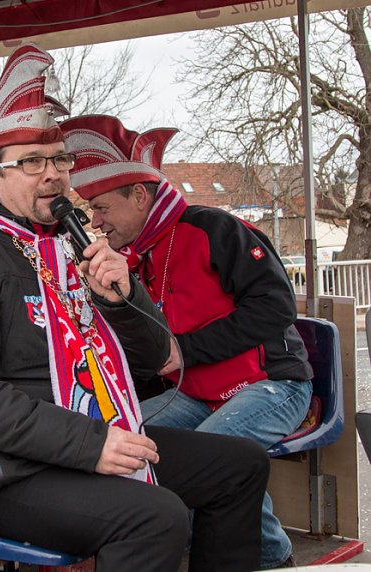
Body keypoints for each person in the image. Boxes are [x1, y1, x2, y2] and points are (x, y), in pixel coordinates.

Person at [0, 44, 270, 572]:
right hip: (8, 471)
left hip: (95, 428)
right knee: (155, 517)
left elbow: (154, 359)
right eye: (30, 162)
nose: (52, 174)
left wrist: (122, 298)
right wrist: (89, 444)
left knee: (238, 465)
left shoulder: (70, 247)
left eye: (59, 160)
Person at [61, 114, 314, 569]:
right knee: (130, 436)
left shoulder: (215, 228)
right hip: (196, 391)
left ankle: (273, 557)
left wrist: (184, 351)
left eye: (101, 208)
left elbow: (276, 307)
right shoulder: (130, 257)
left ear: (139, 196)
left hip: (273, 385)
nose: (95, 222)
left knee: (218, 456)